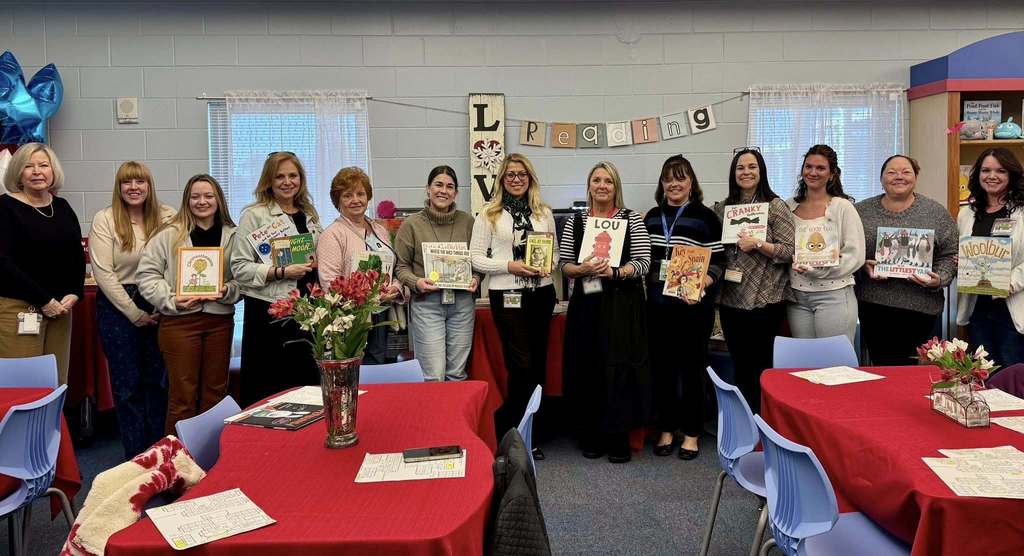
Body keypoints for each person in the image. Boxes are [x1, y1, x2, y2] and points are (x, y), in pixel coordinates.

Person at [560, 161, 651, 463]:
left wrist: (616, 272)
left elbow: (642, 262)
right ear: (589, 186)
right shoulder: (576, 221)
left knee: (619, 367)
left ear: (616, 187)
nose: (601, 186)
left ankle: (618, 436)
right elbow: (564, 265)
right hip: (587, 302)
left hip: (622, 304)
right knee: (588, 366)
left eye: (608, 181)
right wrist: (583, 268)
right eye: (596, 180)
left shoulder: (632, 218)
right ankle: (591, 434)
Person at [137, 174, 240, 434]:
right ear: (187, 200)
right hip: (179, 323)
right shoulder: (169, 234)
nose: (202, 201)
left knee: (215, 394)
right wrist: (172, 299)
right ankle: (177, 459)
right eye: (195, 196)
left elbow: (245, 277)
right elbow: (146, 276)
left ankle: (212, 456)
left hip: (219, 321)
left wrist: (227, 290)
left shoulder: (235, 235)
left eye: (208, 196)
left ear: (218, 200)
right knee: (182, 396)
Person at [89, 161, 175, 459]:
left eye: (140, 182)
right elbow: (103, 273)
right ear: (119, 187)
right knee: (127, 388)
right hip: (118, 306)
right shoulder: (106, 219)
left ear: (150, 186)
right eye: (127, 182)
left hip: (159, 300)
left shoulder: (168, 216)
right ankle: (136, 459)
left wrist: (166, 304)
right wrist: (134, 313)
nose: (134, 188)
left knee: (158, 383)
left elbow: (178, 261)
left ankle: (159, 453)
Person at [470, 153, 558, 440]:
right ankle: (514, 432)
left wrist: (547, 266)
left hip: (541, 294)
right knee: (521, 365)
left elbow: (555, 255)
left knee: (538, 364)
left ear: (530, 178)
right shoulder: (489, 215)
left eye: (522, 174)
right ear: (502, 180)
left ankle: (535, 432)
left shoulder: (543, 213)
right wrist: (509, 265)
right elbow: (475, 259)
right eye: (510, 175)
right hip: (506, 294)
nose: (517, 179)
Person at [643, 155, 723, 460]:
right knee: (662, 370)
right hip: (658, 308)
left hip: (692, 309)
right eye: (668, 178)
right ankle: (666, 428)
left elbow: (719, 261)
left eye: (680, 177)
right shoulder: (651, 217)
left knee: (692, 370)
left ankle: (691, 433)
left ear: (692, 182)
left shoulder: (706, 217)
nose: (674, 184)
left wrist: (704, 283)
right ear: (662, 184)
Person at [229, 152, 322, 407]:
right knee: (270, 388)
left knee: (305, 385)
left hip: (305, 310)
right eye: (279, 176)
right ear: (268, 181)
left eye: (293, 175)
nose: (287, 181)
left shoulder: (309, 214)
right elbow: (239, 268)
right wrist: (280, 272)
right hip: (268, 313)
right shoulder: (255, 215)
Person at [855, 155, 957, 365]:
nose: (898, 177)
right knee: (883, 368)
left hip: (922, 308)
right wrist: (863, 264)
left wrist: (939, 279)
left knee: (916, 373)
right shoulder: (860, 212)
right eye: (891, 172)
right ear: (881, 178)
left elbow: (950, 253)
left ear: (916, 177)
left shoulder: (936, 212)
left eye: (906, 172)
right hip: (875, 306)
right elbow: (849, 250)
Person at [715, 148, 793, 414]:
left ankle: (765, 424)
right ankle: (743, 423)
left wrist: (759, 244)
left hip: (765, 299)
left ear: (761, 172)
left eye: (752, 167)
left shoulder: (775, 206)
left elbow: (789, 250)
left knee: (762, 366)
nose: (746, 172)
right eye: (740, 168)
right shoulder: (723, 209)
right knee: (740, 364)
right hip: (731, 298)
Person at [0, 143, 83, 385]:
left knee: (55, 381)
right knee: (22, 385)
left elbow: (76, 256)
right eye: (29, 166)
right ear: (18, 173)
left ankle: (50, 425)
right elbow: (3, 263)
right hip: (19, 309)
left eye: (43, 165)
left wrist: (74, 292)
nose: (37, 171)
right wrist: (43, 300)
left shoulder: (62, 207)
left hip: (60, 310)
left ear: (53, 171)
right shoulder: (4, 207)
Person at [394, 165, 478, 380]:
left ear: (456, 193)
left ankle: (456, 415)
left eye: (450, 186)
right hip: (427, 304)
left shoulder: (468, 222)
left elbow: (478, 261)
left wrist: (477, 278)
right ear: (428, 189)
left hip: (462, 305)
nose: (444, 190)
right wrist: (416, 282)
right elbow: (401, 267)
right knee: (433, 374)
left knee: (457, 374)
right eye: (438, 185)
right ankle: (436, 414)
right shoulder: (411, 225)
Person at [316, 167, 404, 364]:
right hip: (351, 318)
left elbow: (393, 268)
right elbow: (330, 283)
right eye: (347, 195)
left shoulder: (380, 230)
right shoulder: (332, 235)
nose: (355, 200)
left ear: (368, 196)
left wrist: (395, 288)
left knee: (378, 368)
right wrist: (367, 296)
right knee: (357, 372)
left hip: (381, 313)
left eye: (360, 193)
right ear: (337, 201)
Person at [786, 145, 865, 344]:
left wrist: (819, 271)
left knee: (833, 365)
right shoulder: (788, 207)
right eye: (808, 166)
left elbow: (855, 255)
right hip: (797, 297)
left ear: (831, 175)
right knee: (804, 364)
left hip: (834, 295)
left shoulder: (842, 207)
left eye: (820, 168)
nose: (813, 172)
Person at [957, 148, 1024, 367]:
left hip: (1012, 309)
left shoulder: (1022, 212)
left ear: (1011, 174)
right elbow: (964, 250)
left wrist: (1009, 283)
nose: (992, 176)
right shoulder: (966, 213)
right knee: (984, 376)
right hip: (978, 309)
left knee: (1012, 378)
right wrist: (961, 262)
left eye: (1000, 170)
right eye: (986, 170)